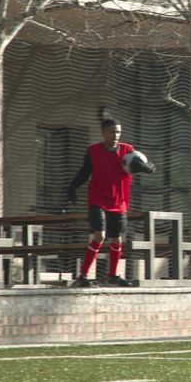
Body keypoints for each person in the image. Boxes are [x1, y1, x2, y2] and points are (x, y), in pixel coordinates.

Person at [66, 117, 154, 287]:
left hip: (119, 203)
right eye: (112, 131)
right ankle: (82, 276)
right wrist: (73, 186)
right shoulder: (93, 151)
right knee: (100, 236)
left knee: (117, 240)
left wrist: (148, 167)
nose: (116, 135)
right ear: (104, 132)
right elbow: (85, 172)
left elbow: (148, 165)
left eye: (118, 132)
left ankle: (112, 275)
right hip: (97, 200)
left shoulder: (128, 151)